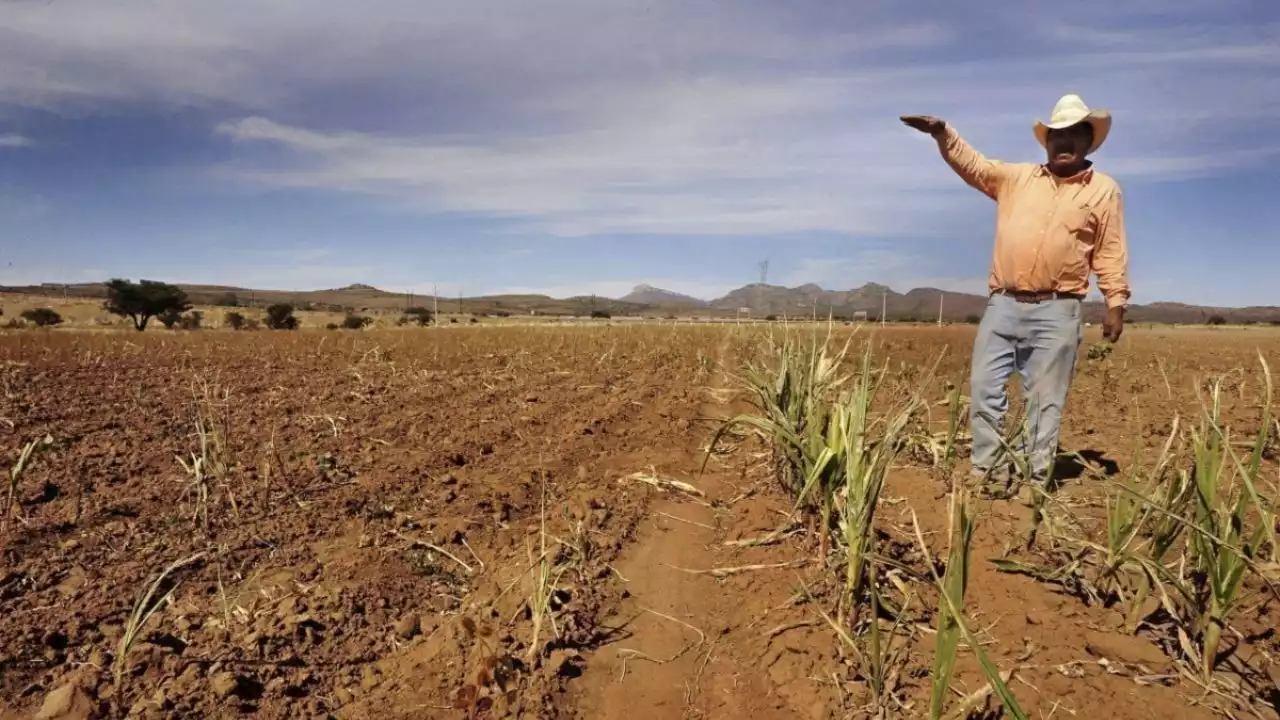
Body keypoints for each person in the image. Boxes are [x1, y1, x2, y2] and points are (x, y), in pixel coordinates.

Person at [900, 94, 1130, 489]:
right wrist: (942, 133)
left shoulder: (1104, 190)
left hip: (1059, 310)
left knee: (1045, 401)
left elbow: (1110, 250)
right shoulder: (1016, 178)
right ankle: (988, 474)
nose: (1064, 142)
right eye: (1057, 135)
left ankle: (1032, 479)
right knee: (985, 390)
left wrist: (1115, 302)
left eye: (1074, 134)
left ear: (1089, 142)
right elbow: (974, 165)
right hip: (1003, 304)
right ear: (1047, 142)